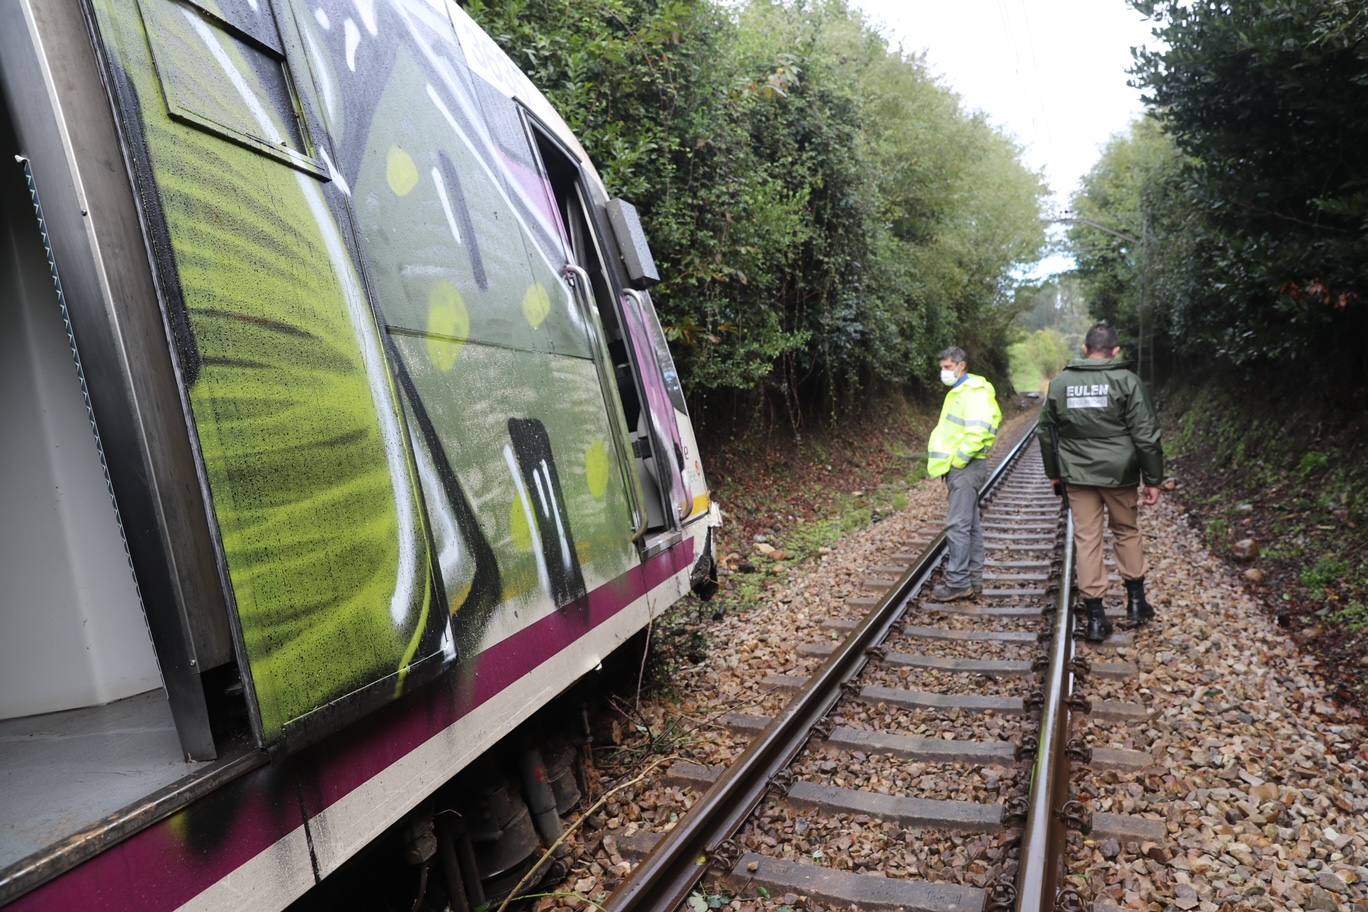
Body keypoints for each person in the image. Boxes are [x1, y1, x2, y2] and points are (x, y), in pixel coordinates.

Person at [1037, 323, 1164, 641]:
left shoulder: (1061, 383)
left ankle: (1095, 617)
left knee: (1087, 539)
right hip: (1119, 474)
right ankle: (1136, 603)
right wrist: (1153, 479)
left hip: (1078, 476)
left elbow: (1046, 433)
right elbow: (1146, 434)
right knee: (1126, 531)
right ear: (1116, 351)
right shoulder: (1127, 381)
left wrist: (1054, 473)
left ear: (1084, 349)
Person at [927, 347, 1001, 601]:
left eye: (948, 367)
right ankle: (973, 580)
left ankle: (958, 582)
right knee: (971, 526)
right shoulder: (962, 392)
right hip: (965, 467)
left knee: (958, 526)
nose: (943, 372)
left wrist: (958, 461)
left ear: (962, 366)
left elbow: (979, 431)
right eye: (942, 367)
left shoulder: (974, 393)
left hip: (966, 468)